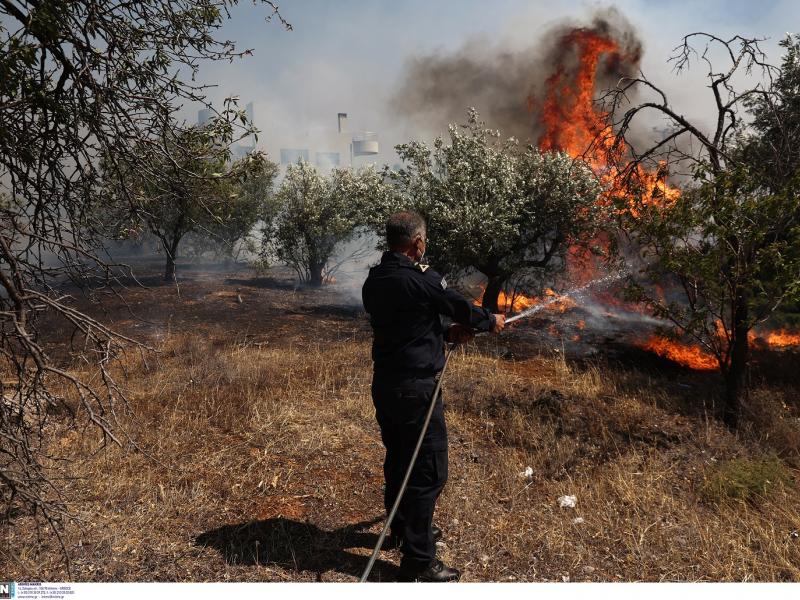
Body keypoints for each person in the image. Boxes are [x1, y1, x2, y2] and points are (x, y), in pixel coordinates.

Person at [362, 211, 505, 582]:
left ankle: (403, 530)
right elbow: (459, 307)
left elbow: (409, 321)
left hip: (387, 384)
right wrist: (488, 320)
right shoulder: (422, 279)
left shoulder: (375, 279)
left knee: (398, 459)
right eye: (424, 239)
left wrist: (443, 332)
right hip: (416, 390)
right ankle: (419, 561)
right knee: (427, 472)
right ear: (417, 242)